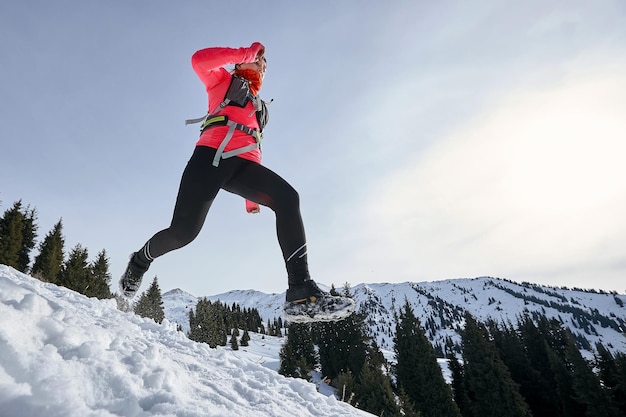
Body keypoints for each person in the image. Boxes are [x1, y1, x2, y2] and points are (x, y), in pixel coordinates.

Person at [119, 42, 353, 320]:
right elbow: (198, 60)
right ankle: (139, 261)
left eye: (264, 65)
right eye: (257, 60)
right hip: (209, 159)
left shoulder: (259, 109)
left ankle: (301, 292)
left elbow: (253, 149)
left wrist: (251, 197)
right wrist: (246, 51)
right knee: (183, 233)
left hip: (244, 167)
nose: (261, 65)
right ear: (240, 63)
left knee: (288, 198)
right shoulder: (222, 81)